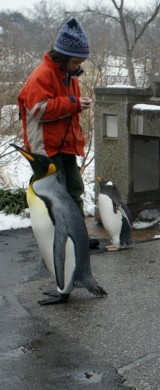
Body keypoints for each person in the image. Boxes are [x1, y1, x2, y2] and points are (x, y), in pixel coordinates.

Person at [17, 18, 99, 248]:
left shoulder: (69, 76)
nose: (78, 66)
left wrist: (74, 107)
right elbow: (38, 108)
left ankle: (77, 238)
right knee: (56, 197)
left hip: (65, 146)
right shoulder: (42, 75)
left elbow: (66, 108)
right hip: (45, 148)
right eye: (75, 61)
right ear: (62, 56)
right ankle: (58, 242)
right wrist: (72, 103)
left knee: (74, 190)